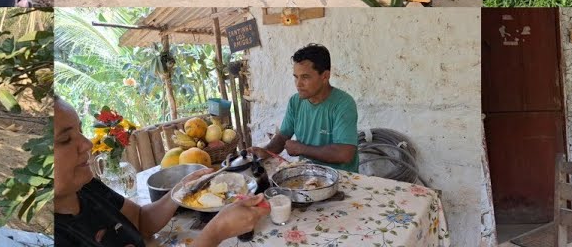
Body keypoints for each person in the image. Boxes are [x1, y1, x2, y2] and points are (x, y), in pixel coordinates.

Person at [55, 95, 268, 246]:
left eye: (80, 131)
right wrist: (216, 231)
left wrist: (180, 191)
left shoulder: (87, 188)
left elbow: (140, 221)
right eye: (65, 139)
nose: (87, 144)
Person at [251, 44, 359, 173]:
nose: (298, 84)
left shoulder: (343, 104)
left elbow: (344, 154)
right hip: (306, 175)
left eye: (305, 77)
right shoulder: (295, 101)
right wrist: (266, 151)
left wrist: (302, 149)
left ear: (325, 76)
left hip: (342, 178)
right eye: (296, 77)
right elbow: (282, 137)